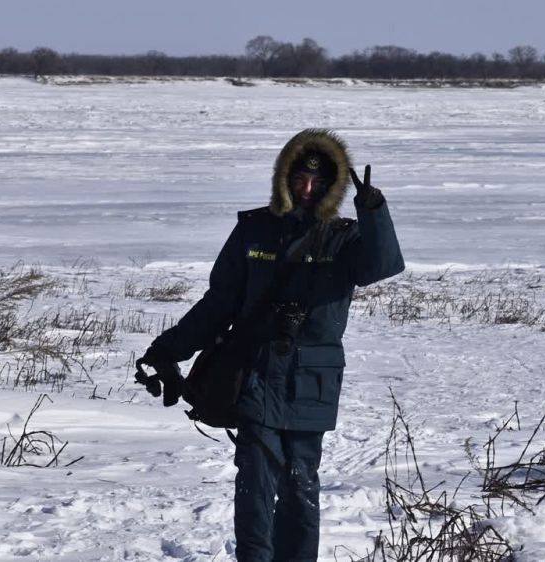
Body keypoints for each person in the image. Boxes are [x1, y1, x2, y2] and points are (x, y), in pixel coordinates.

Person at [139, 128, 404, 561]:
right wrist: (167, 350)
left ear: (332, 186)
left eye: (318, 183)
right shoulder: (255, 230)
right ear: (284, 178)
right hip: (256, 375)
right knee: (255, 489)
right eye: (299, 179)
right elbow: (219, 302)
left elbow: (384, 266)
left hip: (311, 382)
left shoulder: (344, 236)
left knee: (301, 489)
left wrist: (373, 211)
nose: (306, 189)